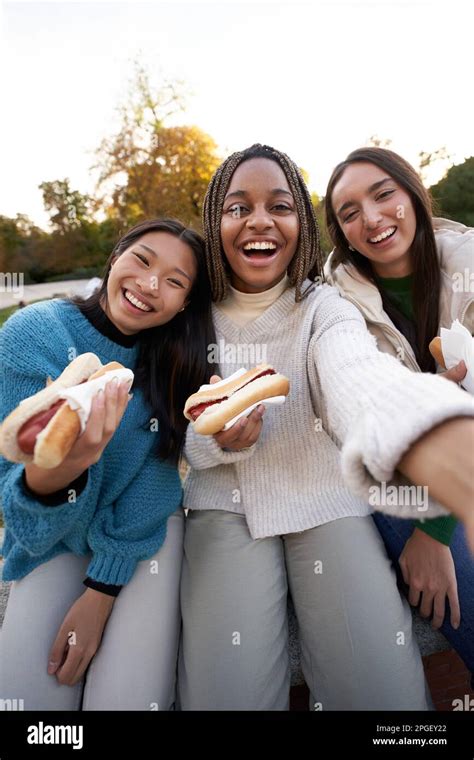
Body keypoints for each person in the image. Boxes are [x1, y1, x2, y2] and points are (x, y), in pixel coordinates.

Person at [177, 143, 474, 711]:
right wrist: (212, 440)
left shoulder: (327, 307)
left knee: (381, 690)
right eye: (238, 207)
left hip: (327, 498)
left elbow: (352, 373)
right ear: (217, 221)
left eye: (280, 206)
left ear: (301, 226)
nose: (259, 220)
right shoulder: (189, 314)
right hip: (222, 504)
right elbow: (172, 429)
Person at [0, 218, 215, 710]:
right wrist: (68, 468)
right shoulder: (34, 334)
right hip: (51, 539)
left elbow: (156, 482)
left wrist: (103, 588)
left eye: (176, 281)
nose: (149, 284)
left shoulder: (171, 363)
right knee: (31, 706)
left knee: (127, 699)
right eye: (141, 260)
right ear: (116, 256)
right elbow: (24, 520)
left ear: (185, 303)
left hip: (140, 538)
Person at [324, 146, 474, 685]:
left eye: (383, 194)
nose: (372, 218)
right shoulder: (337, 306)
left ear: (412, 193)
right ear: (342, 232)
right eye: (349, 212)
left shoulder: (469, 265)